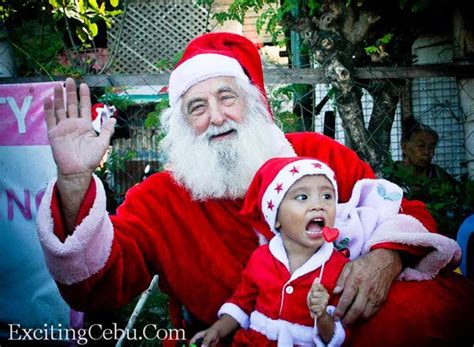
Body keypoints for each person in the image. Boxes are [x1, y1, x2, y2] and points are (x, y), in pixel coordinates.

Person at [36, 32, 474, 345]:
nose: (218, 116)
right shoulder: (159, 199)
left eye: (227, 97)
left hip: (343, 329)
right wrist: (75, 184)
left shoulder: (316, 153)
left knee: (429, 311)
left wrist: (386, 256)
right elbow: (96, 286)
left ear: (254, 103)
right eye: (197, 107)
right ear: (181, 127)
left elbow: (406, 211)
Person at [190, 157, 461, 346]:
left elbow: (338, 335)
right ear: (277, 218)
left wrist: (321, 315)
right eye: (302, 197)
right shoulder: (261, 259)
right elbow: (242, 303)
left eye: (327, 196)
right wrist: (218, 329)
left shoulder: (337, 268)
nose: (318, 205)